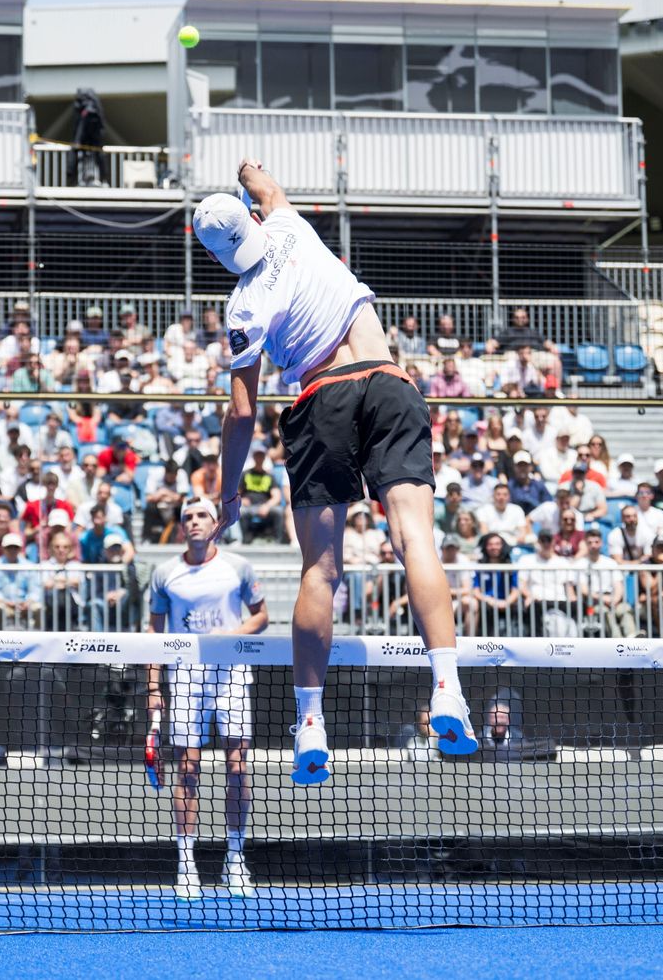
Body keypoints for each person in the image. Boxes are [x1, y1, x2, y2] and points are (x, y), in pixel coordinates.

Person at [193, 162, 477, 785]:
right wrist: (244, 175)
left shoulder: (243, 305)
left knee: (321, 568)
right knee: (416, 542)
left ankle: (311, 723)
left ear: (216, 256)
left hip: (321, 399)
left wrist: (228, 492)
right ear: (255, 217)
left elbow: (242, 415)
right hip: (389, 383)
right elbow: (260, 178)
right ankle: (449, 688)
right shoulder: (288, 222)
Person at [146, 498, 268, 898]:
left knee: (237, 768)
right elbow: (154, 635)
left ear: (216, 523)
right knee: (187, 769)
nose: (194, 522)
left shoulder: (238, 567)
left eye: (201, 516)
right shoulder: (164, 574)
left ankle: (235, 860)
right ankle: (187, 865)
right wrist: (153, 688)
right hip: (185, 675)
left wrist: (229, 638)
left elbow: (261, 615)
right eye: (188, 517)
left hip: (231, 672)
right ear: (181, 526)